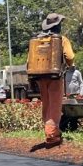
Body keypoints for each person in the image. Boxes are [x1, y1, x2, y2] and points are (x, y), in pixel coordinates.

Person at [35, 13, 75, 148]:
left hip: (40, 77)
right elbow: (70, 56)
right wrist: (69, 64)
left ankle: (49, 130)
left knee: (46, 104)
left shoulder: (37, 40)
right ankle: (52, 136)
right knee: (55, 105)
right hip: (55, 77)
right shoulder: (61, 39)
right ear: (58, 26)